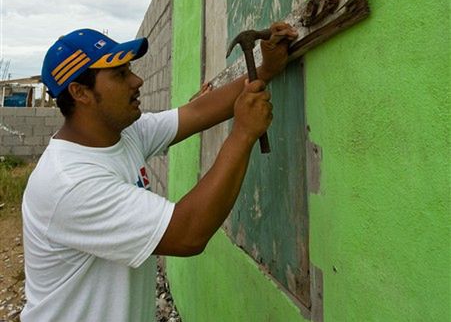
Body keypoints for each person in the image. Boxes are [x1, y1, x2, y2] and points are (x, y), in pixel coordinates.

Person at [21, 23, 297, 322]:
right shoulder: (69, 183)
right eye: (120, 74)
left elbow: (197, 112)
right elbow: (188, 234)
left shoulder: (124, 134)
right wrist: (243, 134)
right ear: (80, 92)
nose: (137, 80)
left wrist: (264, 70)